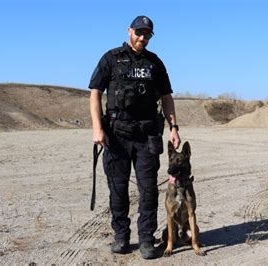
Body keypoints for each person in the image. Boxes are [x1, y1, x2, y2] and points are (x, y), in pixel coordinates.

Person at [89, 15, 181, 259]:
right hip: (117, 136)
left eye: (147, 34)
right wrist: (97, 128)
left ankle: (147, 240)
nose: (142, 38)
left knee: (149, 190)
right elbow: (95, 94)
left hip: (147, 135)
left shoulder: (155, 63)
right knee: (118, 189)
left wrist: (174, 127)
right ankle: (121, 236)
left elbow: (167, 98)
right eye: (138, 32)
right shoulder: (111, 58)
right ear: (129, 31)